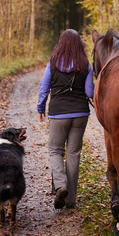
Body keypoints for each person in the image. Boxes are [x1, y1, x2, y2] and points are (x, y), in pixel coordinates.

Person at [37, 29, 94, 209]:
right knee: (73, 154)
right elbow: (89, 92)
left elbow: (44, 87)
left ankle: (61, 185)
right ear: (79, 44)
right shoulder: (85, 63)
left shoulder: (53, 62)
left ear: (61, 43)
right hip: (80, 114)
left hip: (58, 113)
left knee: (55, 150)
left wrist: (40, 107)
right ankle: (70, 200)